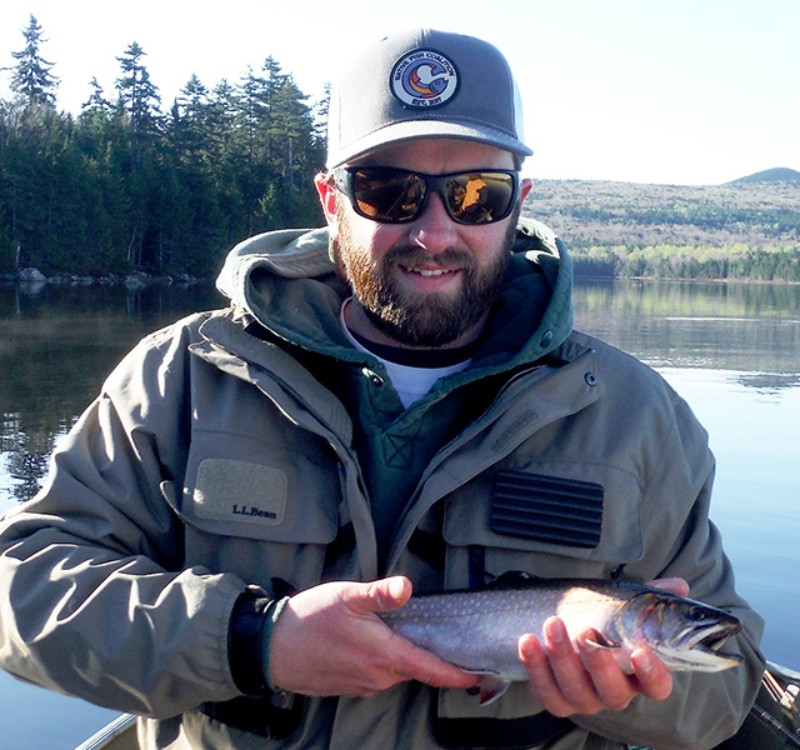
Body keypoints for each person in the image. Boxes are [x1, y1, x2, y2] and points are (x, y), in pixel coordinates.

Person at [0, 28, 764, 750]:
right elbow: (19, 590)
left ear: (517, 205)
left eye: (475, 195)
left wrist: (637, 689)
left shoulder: (637, 418)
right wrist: (251, 641)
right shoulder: (182, 375)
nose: (433, 232)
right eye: (388, 192)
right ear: (332, 203)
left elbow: (729, 695)